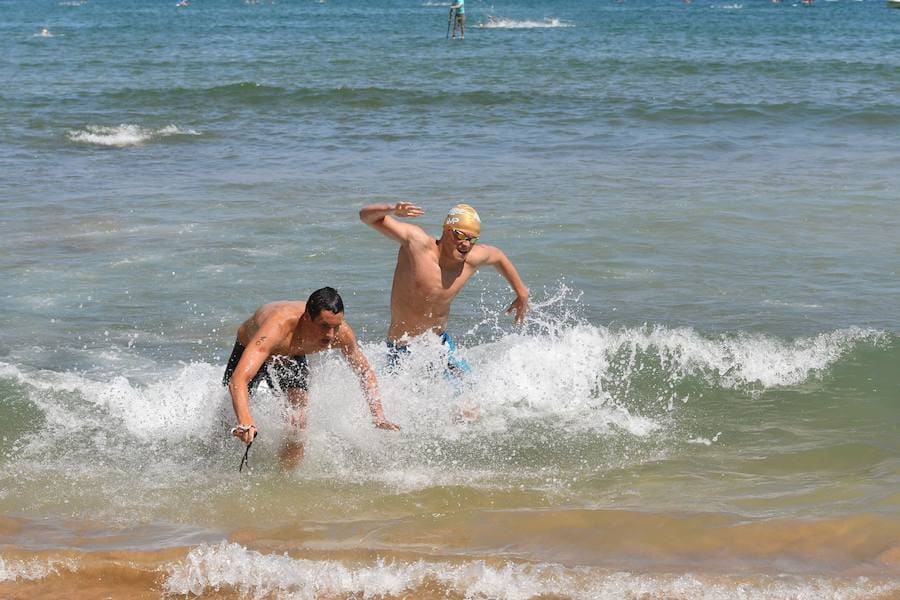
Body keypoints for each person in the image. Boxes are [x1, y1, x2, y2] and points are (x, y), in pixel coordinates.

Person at [223, 287, 399, 469]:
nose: (330, 335)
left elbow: (365, 371)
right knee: (230, 412)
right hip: (251, 346)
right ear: (306, 318)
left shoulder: (341, 333)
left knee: (298, 420)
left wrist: (378, 415)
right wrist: (246, 421)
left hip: (291, 354)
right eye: (324, 326)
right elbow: (238, 380)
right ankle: (218, 448)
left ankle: (284, 476)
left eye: (335, 326)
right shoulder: (278, 327)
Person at [359, 202, 529, 374]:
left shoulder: (470, 261)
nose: (466, 244)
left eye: (472, 239)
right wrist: (392, 209)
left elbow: (498, 256)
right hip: (402, 348)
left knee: (468, 394)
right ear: (447, 231)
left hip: (439, 344)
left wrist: (522, 294)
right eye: (460, 235)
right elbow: (366, 217)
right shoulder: (417, 244)